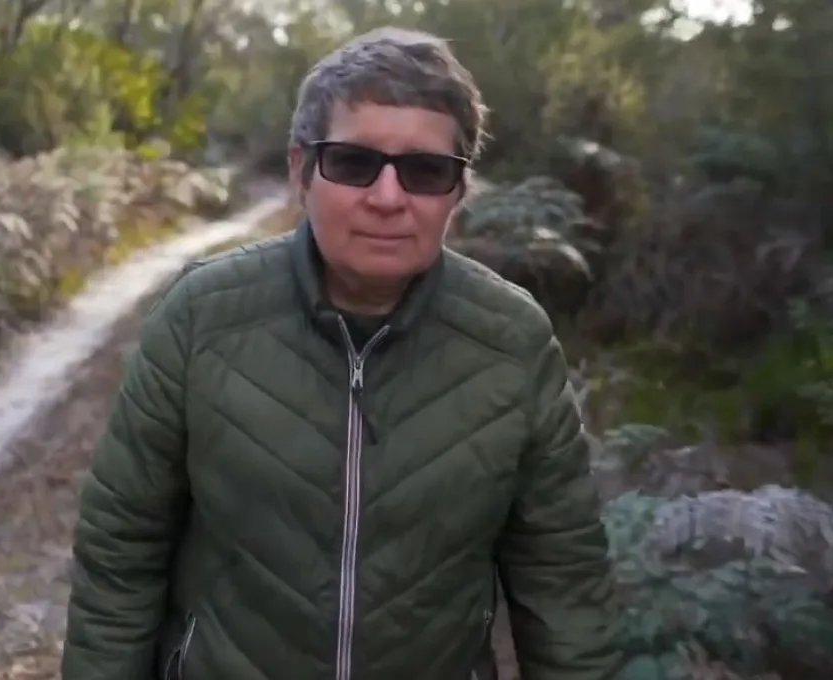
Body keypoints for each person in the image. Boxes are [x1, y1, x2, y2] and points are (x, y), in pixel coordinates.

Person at [61, 26, 620, 680]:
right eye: (354, 163)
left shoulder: (511, 341)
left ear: (458, 191)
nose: (387, 198)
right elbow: (121, 551)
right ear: (302, 171)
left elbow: (563, 582)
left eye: (425, 170)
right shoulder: (201, 317)